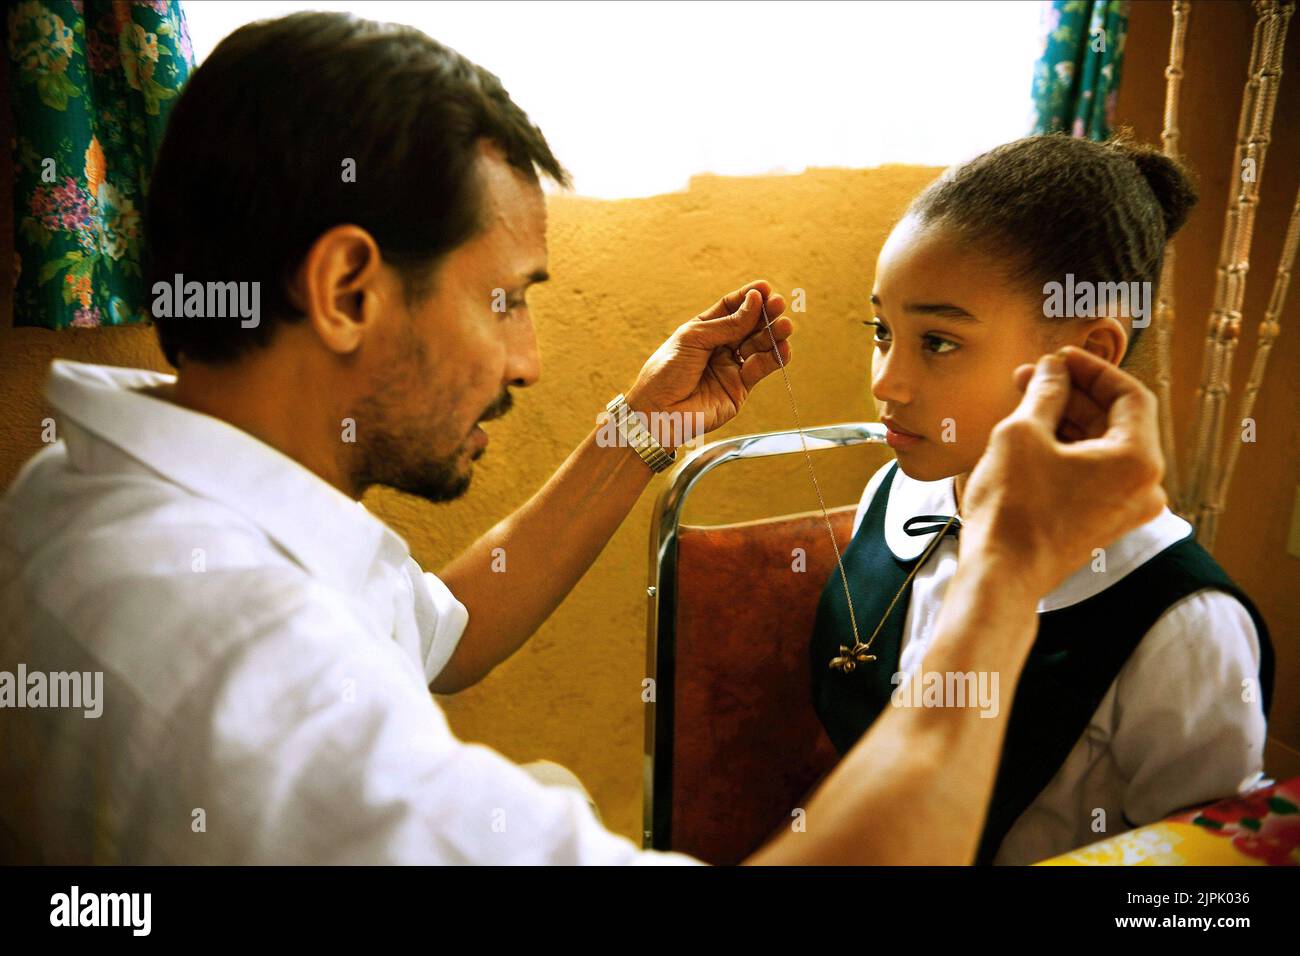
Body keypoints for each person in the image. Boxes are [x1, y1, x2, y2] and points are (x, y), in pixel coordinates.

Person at [0, 12, 1167, 865]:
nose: (528, 358)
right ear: (349, 285)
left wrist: (641, 429)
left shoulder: (114, 493)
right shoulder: (235, 671)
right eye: (505, 297)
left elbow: (440, 633)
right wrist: (1011, 568)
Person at [809, 133, 1274, 864]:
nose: (885, 383)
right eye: (881, 330)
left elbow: (1199, 885)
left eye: (937, 342)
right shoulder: (893, 497)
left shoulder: (1182, 623)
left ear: (1087, 355)